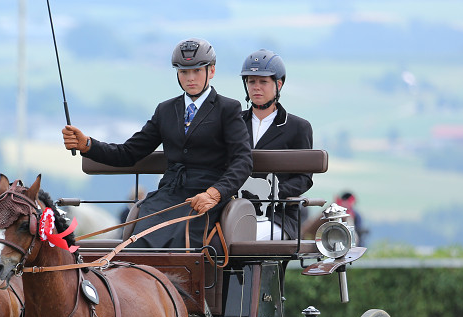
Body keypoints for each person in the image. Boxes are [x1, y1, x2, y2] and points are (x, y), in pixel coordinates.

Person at [63, 38, 251, 249]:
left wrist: (215, 193)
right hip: (168, 195)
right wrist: (88, 144)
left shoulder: (228, 109)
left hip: (205, 197)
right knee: (138, 240)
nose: (190, 78)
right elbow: (129, 152)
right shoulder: (166, 110)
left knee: (182, 242)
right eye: (183, 72)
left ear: (212, 71)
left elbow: (242, 160)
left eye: (196, 71)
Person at [239, 49, 313, 240]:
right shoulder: (233, 123)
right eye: (251, 81)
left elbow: (304, 178)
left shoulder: (298, 127)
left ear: (278, 84)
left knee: (244, 236)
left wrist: (273, 192)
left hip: (278, 215)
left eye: (263, 82)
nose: (256, 87)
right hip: (235, 209)